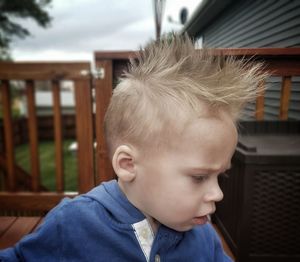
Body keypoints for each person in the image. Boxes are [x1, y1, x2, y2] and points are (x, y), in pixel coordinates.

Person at [0, 34, 265, 262]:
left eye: (220, 176)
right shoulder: (72, 224)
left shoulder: (203, 236)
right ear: (128, 165)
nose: (217, 194)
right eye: (199, 177)